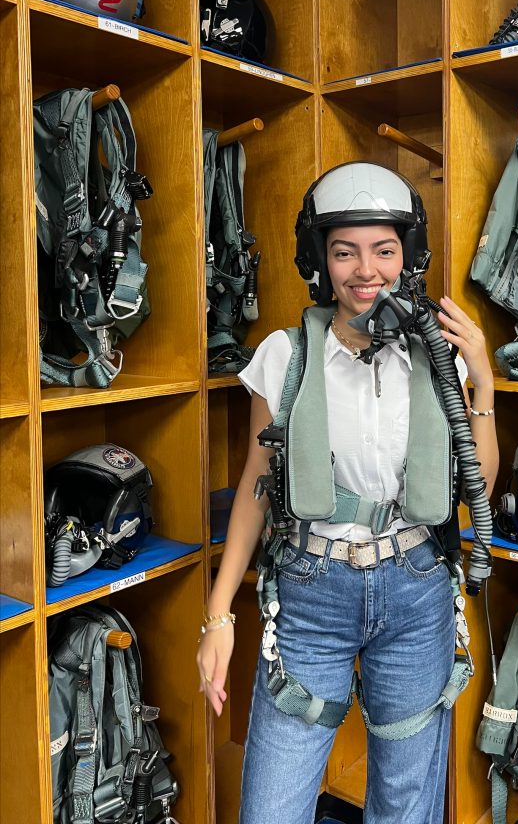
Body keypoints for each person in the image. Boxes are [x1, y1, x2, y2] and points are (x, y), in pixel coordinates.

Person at [197, 162, 499, 824]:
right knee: (271, 809)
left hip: (416, 588)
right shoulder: (283, 355)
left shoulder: (435, 355)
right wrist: (218, 616)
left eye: (384, 250)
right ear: (319, 259)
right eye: (345, 251)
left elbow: (479, 484)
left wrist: (483, 382)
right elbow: (256, 484)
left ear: (408, 255)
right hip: (310, 593)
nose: (366, 270)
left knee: (404, 807)